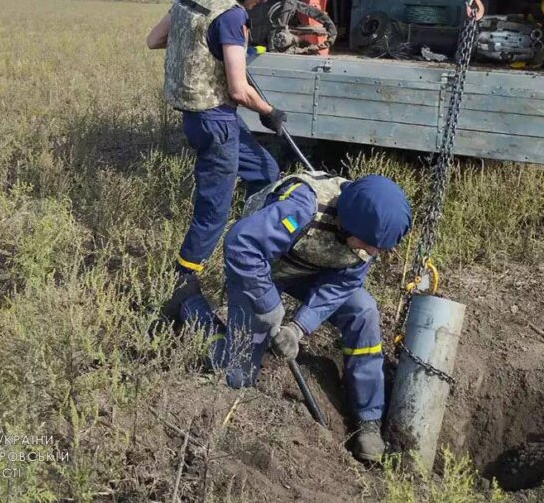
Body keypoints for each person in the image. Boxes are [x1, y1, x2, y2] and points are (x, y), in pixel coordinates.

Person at [170, 170, 412, 463]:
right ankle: (190, 303)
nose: (372, 252)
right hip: (260, 271)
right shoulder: (302, 206)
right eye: (368, 244)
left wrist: (298, 327)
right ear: (349, 223)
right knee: (235, 374)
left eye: (378, 247)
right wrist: (268, 303)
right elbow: (241, 244)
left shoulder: (371, 234)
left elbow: (343, 283)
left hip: (309, 272)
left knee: (363, 310)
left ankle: (368, 419)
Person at [146, 0, 289, 316]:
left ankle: (249, 245)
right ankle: (183, 282)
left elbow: (155, 39)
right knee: (213, 211)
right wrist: (269, 112)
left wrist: (203, 48)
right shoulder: (230, 15)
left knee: (265, 172)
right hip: (216, 122)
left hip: (198, 117)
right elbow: (239, 90)